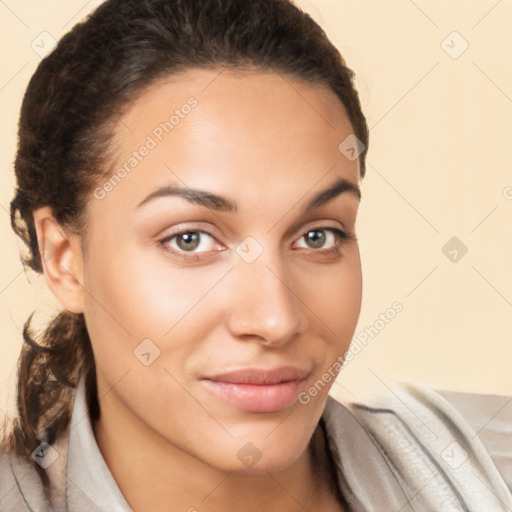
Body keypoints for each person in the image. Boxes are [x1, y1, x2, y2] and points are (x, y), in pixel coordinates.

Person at [1, 0, 510, 510]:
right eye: (190, 239)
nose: (275, 320)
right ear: (64, 258)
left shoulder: (490, 474)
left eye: (318, 236)